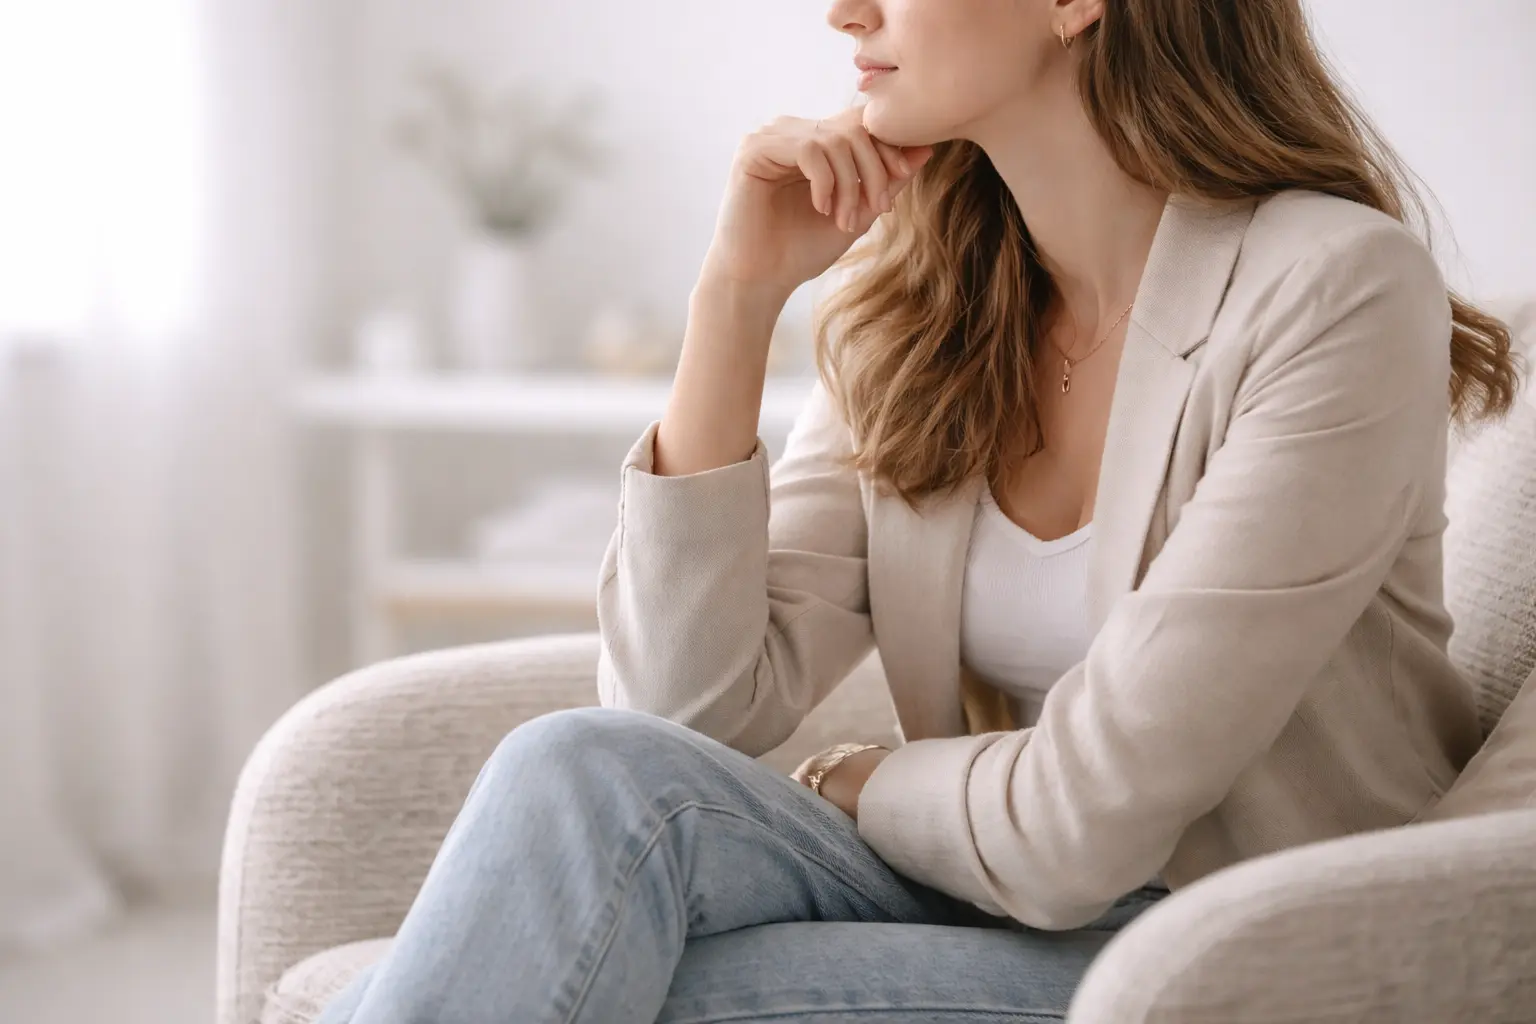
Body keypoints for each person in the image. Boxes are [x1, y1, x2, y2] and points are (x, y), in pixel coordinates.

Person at [319, 1, 1521, 1021]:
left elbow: (1080, 828)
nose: (844, 10)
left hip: (1236, 943)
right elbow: (678, 710)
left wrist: (856, 778)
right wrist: (735, 297)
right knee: (579, 769)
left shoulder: (1333, 289)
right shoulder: (926, 307)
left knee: (622, 986)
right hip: (988, 889)